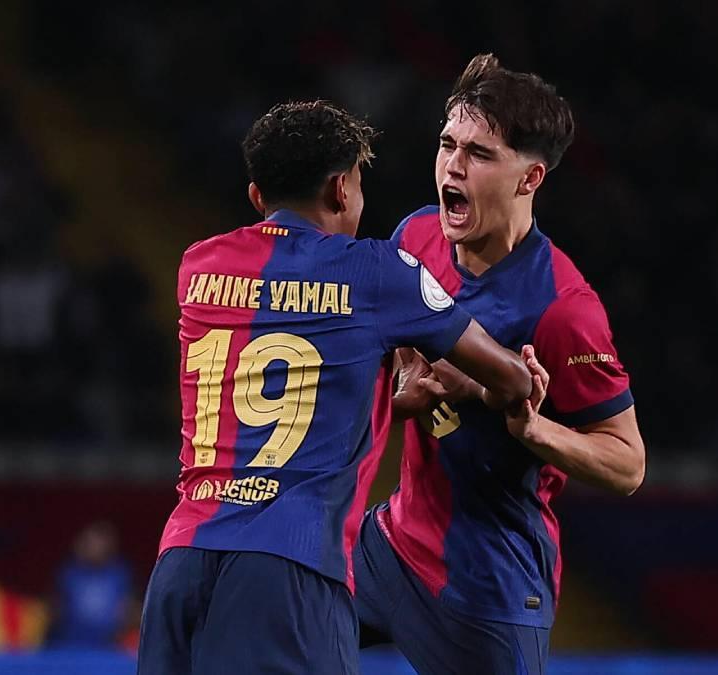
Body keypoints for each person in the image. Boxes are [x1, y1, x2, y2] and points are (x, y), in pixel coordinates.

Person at [137, 100, 537, 675]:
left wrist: (393, 404)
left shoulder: (199, 266)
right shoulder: (378, 272)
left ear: (257, 196)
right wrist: (514, 378)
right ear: (341, 189)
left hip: (180, 563)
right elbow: (507, 376)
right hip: (289, 571)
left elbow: (276, 396)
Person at [353, 55, 648, 673]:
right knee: (260, 635)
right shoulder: (416, 239)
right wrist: (411, 381)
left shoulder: (563, 311)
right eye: (447, 144)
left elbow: (627, 465)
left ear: (530, 178)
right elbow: (391, 358)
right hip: (389, 548)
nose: (453, 166)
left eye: (480, 154)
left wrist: (532, 429)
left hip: (487, 585)